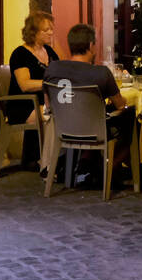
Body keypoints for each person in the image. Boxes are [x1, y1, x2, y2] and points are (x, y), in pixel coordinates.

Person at [43, 23, 134, 187]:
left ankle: (86, 161)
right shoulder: (101, 73)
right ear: (91, 45)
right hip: (95, 130)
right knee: (130, 117)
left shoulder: (52, 69)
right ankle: (109, 167)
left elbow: (49, 104)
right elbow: (120, 105)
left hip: (63, 128)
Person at [7, 11, 58, 171]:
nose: (51, 32)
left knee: (66, 110)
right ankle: (49, 164)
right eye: (46, 30)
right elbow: (25, 85)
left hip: (44, 102)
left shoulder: (48, 51)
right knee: (59, 115)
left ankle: (51, 159)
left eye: (51, 29)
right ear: (33, 32)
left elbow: (61, 70)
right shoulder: (20, 54)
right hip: (23, 106)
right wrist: (49, 84)